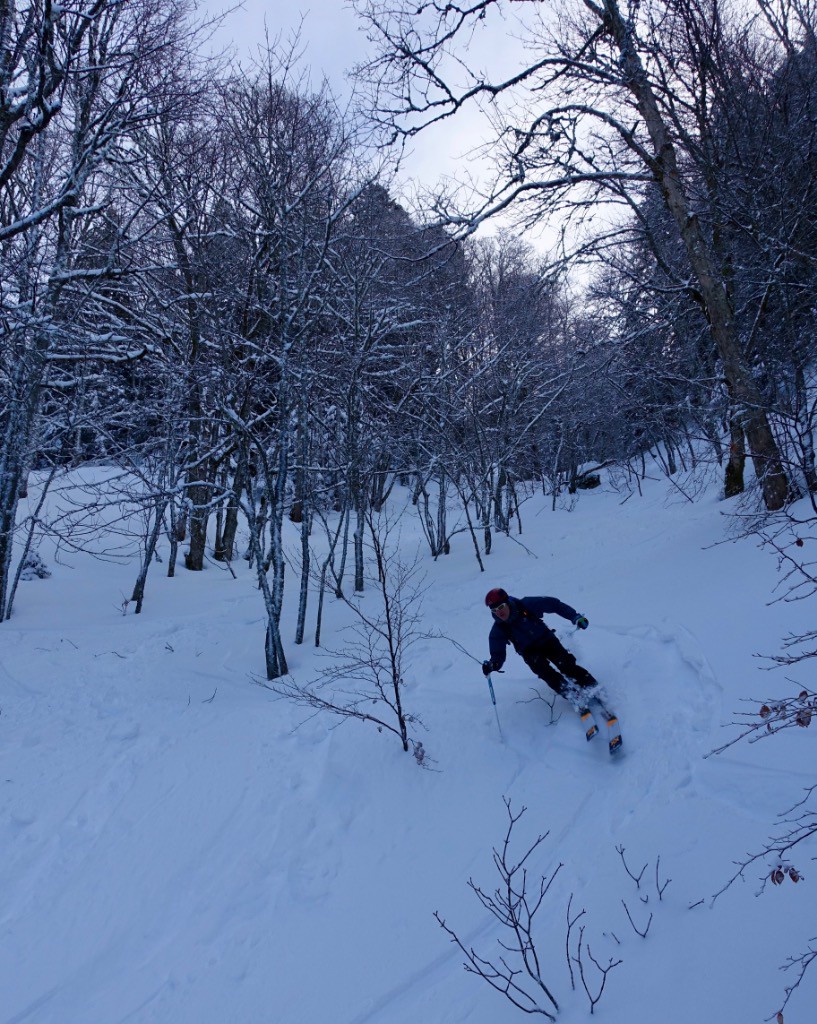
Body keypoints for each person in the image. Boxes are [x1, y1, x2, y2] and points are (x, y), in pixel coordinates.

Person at [481, 587, 597, 702]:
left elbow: (554, 604)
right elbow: (497, 651)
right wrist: (493, 664)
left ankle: (591, 686)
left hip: (546, 640)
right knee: (546, 673)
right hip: (529, 652)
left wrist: (575, 617)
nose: (499, 612)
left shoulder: (525, 604)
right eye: (494, 610)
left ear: (507, 602)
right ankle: (571, 695)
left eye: (501, 607)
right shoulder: (499, 628)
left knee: (566, 664)